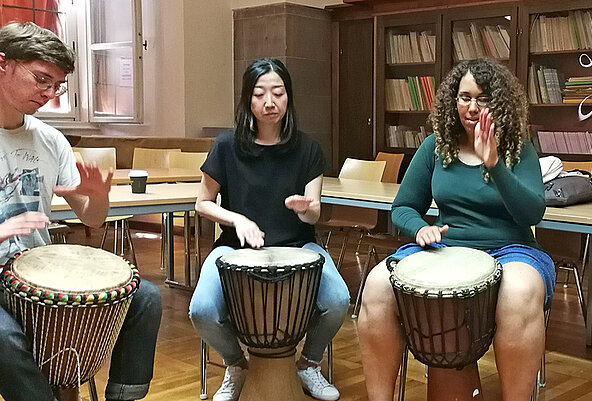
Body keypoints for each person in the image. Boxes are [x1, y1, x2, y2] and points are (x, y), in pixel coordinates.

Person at [357, 57, 554, 401]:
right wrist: (420, 229)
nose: (472, 107)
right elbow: (403, 207)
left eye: (483, 98)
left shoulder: (517, 149)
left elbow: (532, 213)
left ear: (500, 103)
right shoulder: (436, 147)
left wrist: (494, 164)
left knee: (519, 293)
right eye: (464, 97)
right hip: (446, 249)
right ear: (453, 100)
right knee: (375, 287)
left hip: (511, 249)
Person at [0, 22, 162, 401]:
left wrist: (98, 196)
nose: (49, 93)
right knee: (4, 339)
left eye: (57, 85)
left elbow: (90, 218)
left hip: (34, 270)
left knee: (146, 298)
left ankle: (123, 396)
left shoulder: (50, 139)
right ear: (3, 64)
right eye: (42, 79)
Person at [189, 57, 349, 401]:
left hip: (299, 246)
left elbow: (314, 214)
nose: (269, 101)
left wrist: (307, 210)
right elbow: (202, 203)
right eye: (260, 93)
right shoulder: (226, 145)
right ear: (248, 98)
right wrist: (238, 219)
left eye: (278, 92)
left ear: (288, 97)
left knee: (338, 300)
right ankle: (235, 364)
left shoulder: (308, 149)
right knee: (201, 310)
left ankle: (308, 364)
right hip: (233, 247)